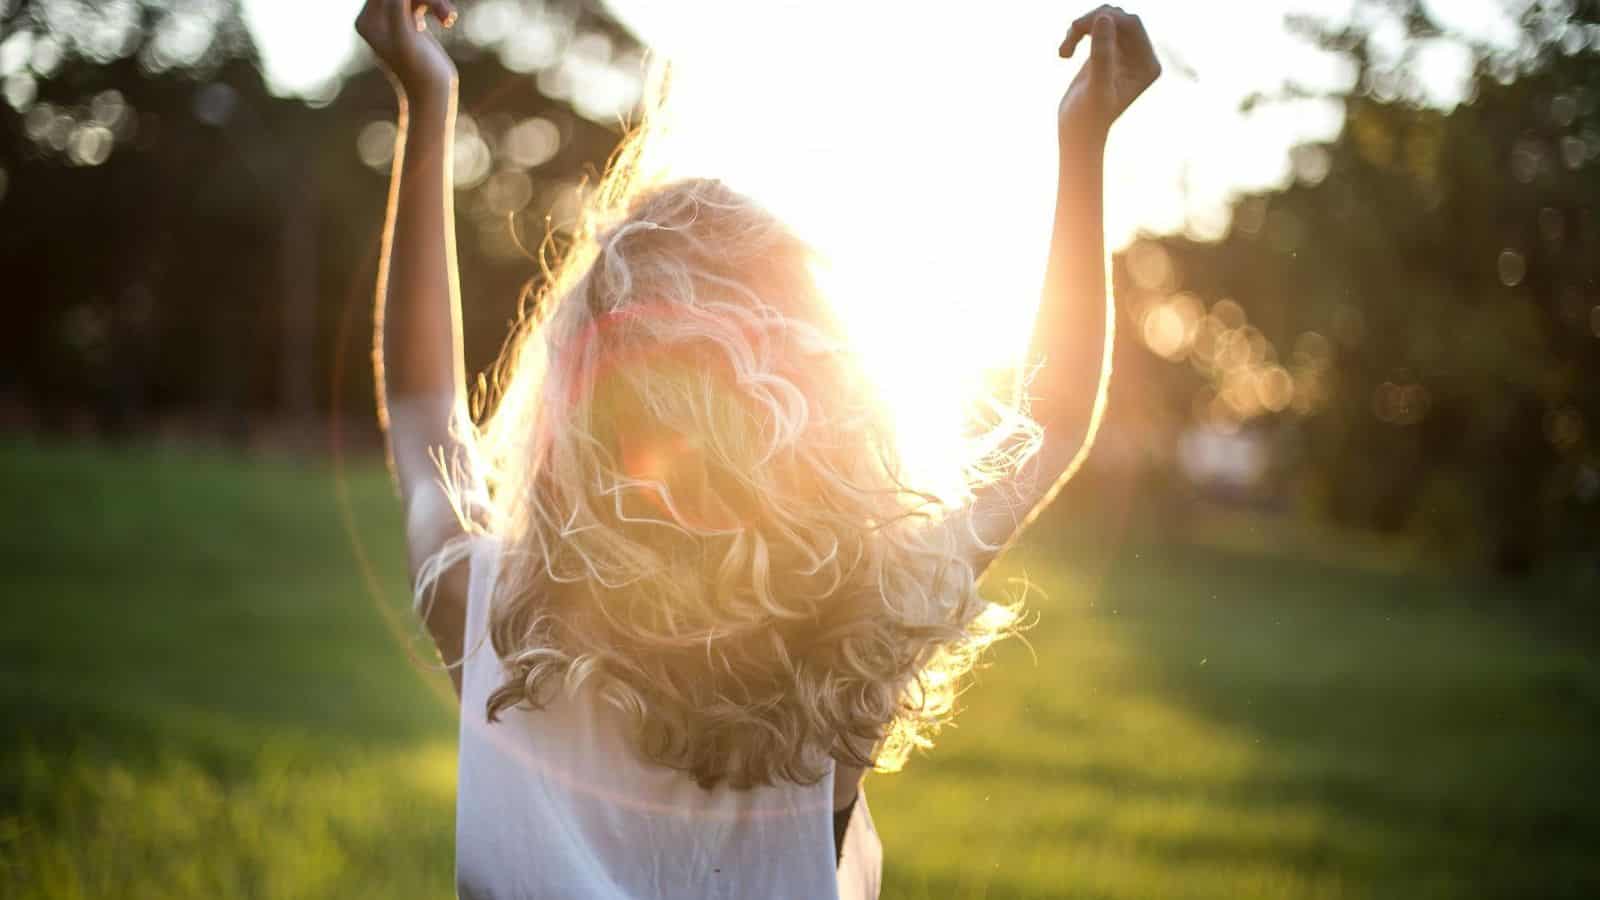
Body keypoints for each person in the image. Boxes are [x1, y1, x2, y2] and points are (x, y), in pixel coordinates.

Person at [356, 1, 1159, 896]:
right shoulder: (857, 634)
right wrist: (1082, 145)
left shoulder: (491, 615)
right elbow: (1044, 424)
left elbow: (425, 402)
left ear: (576, 413)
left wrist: (427, 105)